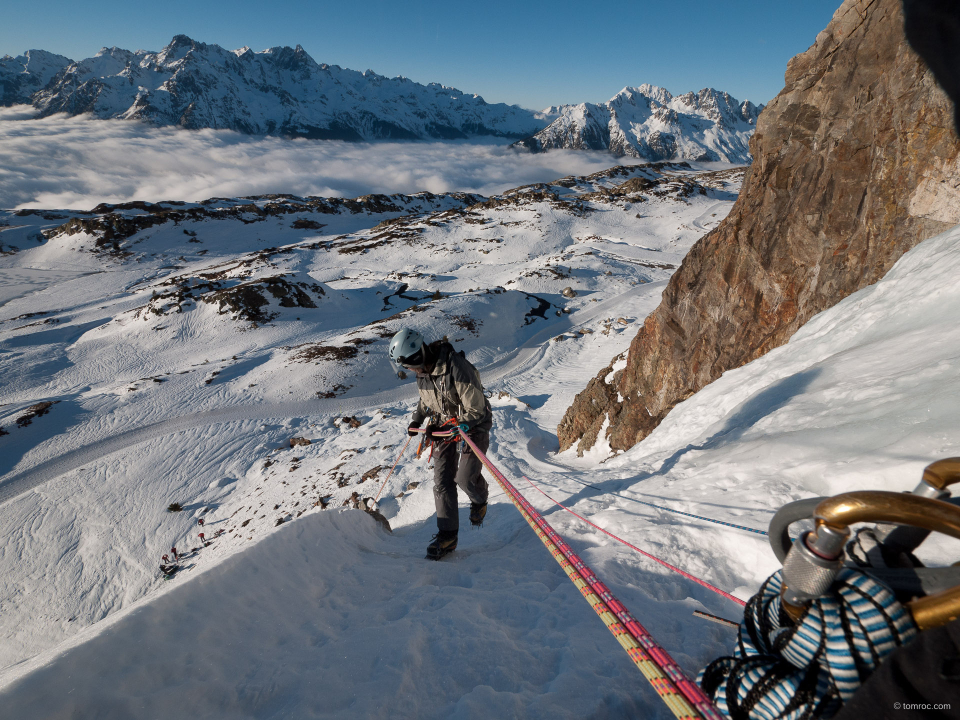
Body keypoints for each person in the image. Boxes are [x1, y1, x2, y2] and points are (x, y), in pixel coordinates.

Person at [389, 328, 492, 560]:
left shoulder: (456, 368)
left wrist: (450, 428)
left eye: (408, 365)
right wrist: (418, 418)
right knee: (442, 481)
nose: (409, 370)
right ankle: (447, 536)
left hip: (474, 423)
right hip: (444, 425)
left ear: (416, 356)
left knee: (465, 479)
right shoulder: (423, 372)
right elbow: (427, 399)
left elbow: (475, 409)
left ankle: (479, 497)